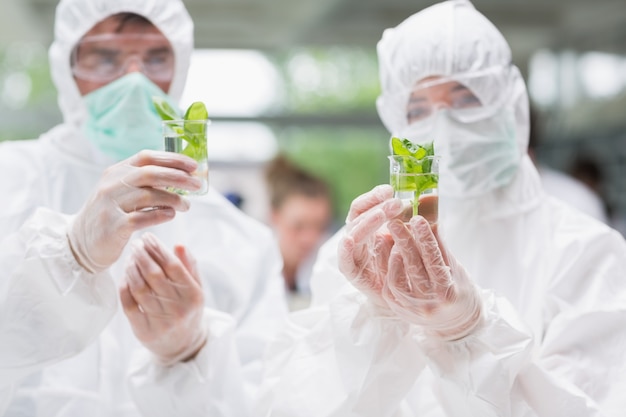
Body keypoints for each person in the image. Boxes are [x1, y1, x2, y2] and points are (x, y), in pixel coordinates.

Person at [257, 1, 626, 416]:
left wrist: (469, 331)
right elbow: (297, 402)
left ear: (511, 103)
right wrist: (374, 320)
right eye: (418, 108)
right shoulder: (363, 253)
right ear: (397, 119)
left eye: (464, 98)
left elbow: (591, 405)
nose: (442, 127)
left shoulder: (585, 252)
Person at [0, 0, 288, 415]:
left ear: (181, 66)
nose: (134, 80)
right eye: (105, 57)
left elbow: (266, 401)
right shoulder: (10, 182)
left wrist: (191, 353)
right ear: (66, 66)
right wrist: (69, 256)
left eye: (156, 58)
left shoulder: (239, 240)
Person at [264, 154, 334, 310]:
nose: (310, 238)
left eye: (320, 226)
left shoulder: (329, 269)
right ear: (274, 216)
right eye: (298, 226)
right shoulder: (255, 275)